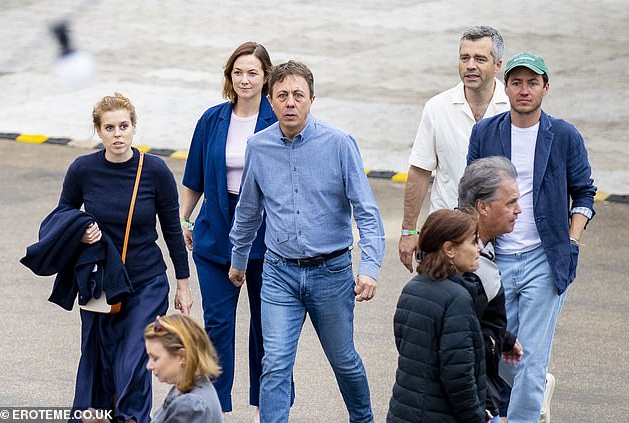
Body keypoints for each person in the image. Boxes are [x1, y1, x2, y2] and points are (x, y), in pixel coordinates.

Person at [228, 60, 385, 422]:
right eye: (282, 95)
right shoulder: (258, 146)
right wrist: (238, 260)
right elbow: (248, 211)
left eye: (298, 95)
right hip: (279, 273)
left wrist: (370, 268)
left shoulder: (340, 143)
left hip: (331, 273)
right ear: (270, 100)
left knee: (343, 360)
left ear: (312, 99)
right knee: (275, 363)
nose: (290, 103)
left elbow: (366, 211)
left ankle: (363, 419)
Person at [467, 52, 597, 422]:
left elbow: (584, 192)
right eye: (516, 82)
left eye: (532, 83)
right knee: (498, 350)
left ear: (545, 87)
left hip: (545, 257)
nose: (524, 90)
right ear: (504, 87)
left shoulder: (565, 136)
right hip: (496, 257)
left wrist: (572, 239)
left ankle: (523, 414)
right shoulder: (485, 132)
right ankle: (530, 395)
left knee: (532, 355)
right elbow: (470, 193)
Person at [57, 92, 192, 422]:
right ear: (98, 132)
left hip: (146, 283)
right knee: (98, 359)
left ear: (134, 128)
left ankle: (132, 418)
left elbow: (172, 229)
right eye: (109, 127)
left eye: (123, 126)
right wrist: (81, 228)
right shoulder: (83, 169)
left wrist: (183, 284)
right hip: (101, 285)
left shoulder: (155, 171)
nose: (117, 134)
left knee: (131, 359)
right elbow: (62, 213)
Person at [180, 41, 280, 420]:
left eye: (252, 72)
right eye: (238, 72)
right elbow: (194, 176)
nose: (244, 79)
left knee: (266, 327)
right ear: (229, 77)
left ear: (266, 76)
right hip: (216, 233)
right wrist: (185, 219)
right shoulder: (212, 119)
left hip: (267, 237)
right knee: (217, 325)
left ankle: (264, 409)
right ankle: (215, 408)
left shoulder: (278, 117)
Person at [399, 25, 509, 272]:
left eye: (480, 59)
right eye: (464, 58)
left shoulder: (514, 108)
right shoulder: (436, 108)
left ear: (498, 65)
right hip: (448, 241)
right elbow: (419, 171)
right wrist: (409, 230)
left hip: (503, 241)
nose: (470, 65)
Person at [387, 209, 486, 423]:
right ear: (449, 249)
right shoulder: (457, 299)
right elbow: (459, 377)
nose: (479, 248)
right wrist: (477, 418)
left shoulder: (411, 288)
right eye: (473, 241)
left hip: (402, 413)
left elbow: (406, 347)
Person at [458, 156, 524, 422]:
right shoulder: (470, 267)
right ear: (482, 207)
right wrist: (482, 408)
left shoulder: (461, 247)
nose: (518, 210)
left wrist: (503, 338)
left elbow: (473, 321)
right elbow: (456, 345)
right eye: (510, 203)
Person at [144, 314, 224, 423]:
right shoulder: (185, 387)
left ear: (182, 356)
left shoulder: (190, 406)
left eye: (155, 358)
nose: (149, 366)